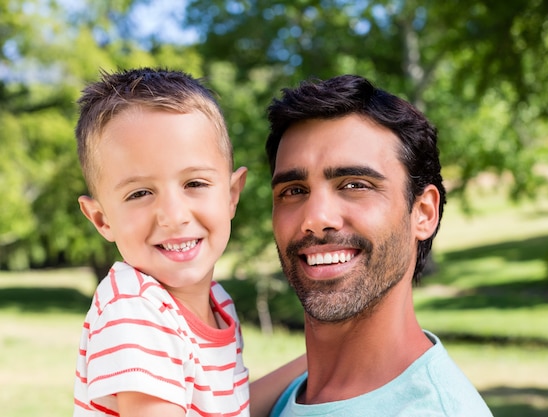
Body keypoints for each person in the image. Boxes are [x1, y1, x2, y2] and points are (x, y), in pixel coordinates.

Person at [72, 68, 304, 417]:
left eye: (194, 183)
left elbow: (233, 409)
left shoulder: (218, 303)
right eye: (139, 193)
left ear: (231, 195)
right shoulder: (135, 312)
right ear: (102, 219)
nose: (173, 214)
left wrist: (321, 361)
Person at [264, 75, 494, 416]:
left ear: (423, 213)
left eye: (355, 184)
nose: (315, 217)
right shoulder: (292, 395)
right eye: (294, 190)